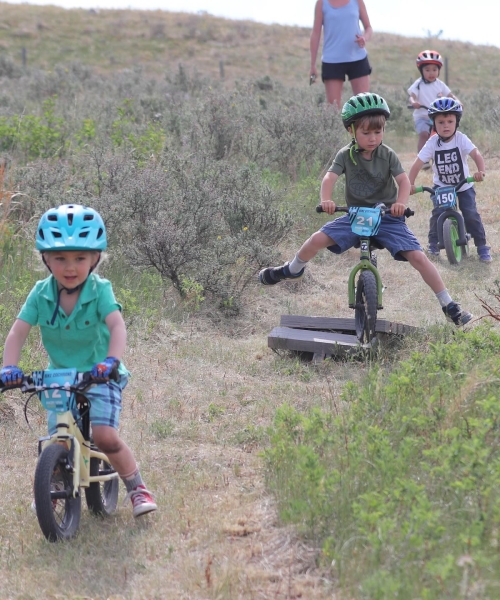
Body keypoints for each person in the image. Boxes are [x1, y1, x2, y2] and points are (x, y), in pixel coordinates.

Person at [259, 92, 473, 327]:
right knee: (316, 239)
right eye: (366, 133)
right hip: (356, 215)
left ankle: (449, 304)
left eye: (378, 132)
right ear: (351, 131)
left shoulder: (387, 154)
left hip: (388, 216)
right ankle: (293, 269)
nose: (373, 138)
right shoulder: (345, 155)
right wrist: (326, 199)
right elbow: (329, 178)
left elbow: (403, 181)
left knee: (419, 257)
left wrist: (401, 203)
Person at [0, 204, 158, 517]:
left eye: (80, 258)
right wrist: (9, 368)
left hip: (100, 374)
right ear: (45, 259)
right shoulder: (40, 293)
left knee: (105, 437)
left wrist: (111, 361)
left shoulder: (100, 290)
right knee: (57, 437)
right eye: (60, 258)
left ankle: (137, 488)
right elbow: (17, 333)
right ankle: (55, 488)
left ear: (95, 258)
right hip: (60, 376)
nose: (70, 267)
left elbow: (116, 326)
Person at [408, 97, 491, 262]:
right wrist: (410, 183)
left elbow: (476, 154)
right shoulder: (432, 143)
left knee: (470, 214)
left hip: (463, 186)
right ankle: (433, 245)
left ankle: (482, 247)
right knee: (437, 215)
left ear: (456, 122)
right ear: (434, 124)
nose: (445, 125)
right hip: (441, 187)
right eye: (441, 122)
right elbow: (417, 164)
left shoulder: (461, 139)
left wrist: (480, 171)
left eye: (449, 121)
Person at [310, 0, 372, 108]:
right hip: (332, 61)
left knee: (364, 108)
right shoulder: (321, 3)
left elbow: (368, 28)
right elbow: (316, 33)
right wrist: (312, 65)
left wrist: (364, 38)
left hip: (358, 59)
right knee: (333, 110)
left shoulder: (357, 1)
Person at [408, 50, 459, 163]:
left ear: (439, 71)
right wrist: (413, 102)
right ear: (421, 71)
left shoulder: (440, 84)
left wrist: (457, 101)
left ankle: (442, 159)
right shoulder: (418, 84)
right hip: (422, 116)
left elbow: (450, 95)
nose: (431, 73)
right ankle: (423, 161)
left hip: (437, 117)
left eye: (434, 70)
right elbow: (412, 96)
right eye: (427, 70)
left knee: (442, 136)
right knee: (424, 134)